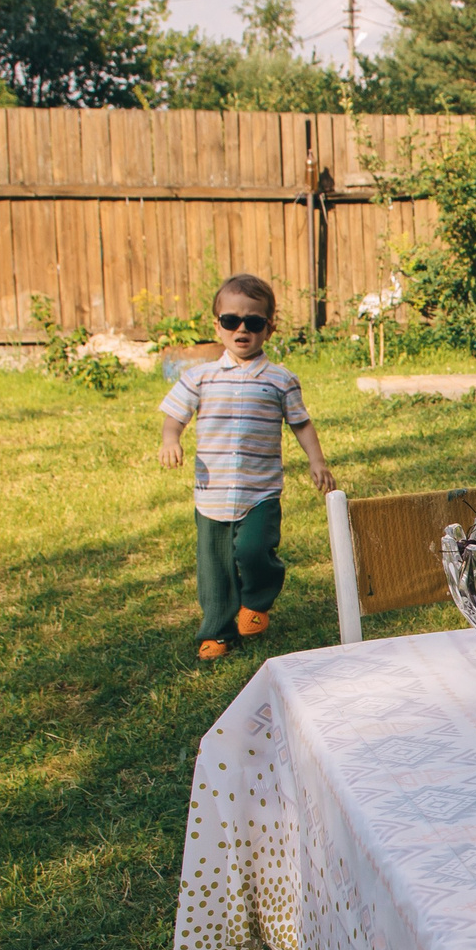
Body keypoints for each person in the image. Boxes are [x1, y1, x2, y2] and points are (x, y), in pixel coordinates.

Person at [157, 273, 335, 661]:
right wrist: (171, 440)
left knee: (256, 551)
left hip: (261, 490)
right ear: (217, 324)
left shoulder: (280, 379)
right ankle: (217, 631)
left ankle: (256, 601)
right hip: (212, 492)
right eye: (231, 321)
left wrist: (316, 461)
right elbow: (175, 417)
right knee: (214, 567)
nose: (242, 329)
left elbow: (301, 423)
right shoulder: (199, 377)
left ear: (269, 329)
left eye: (253, 322)